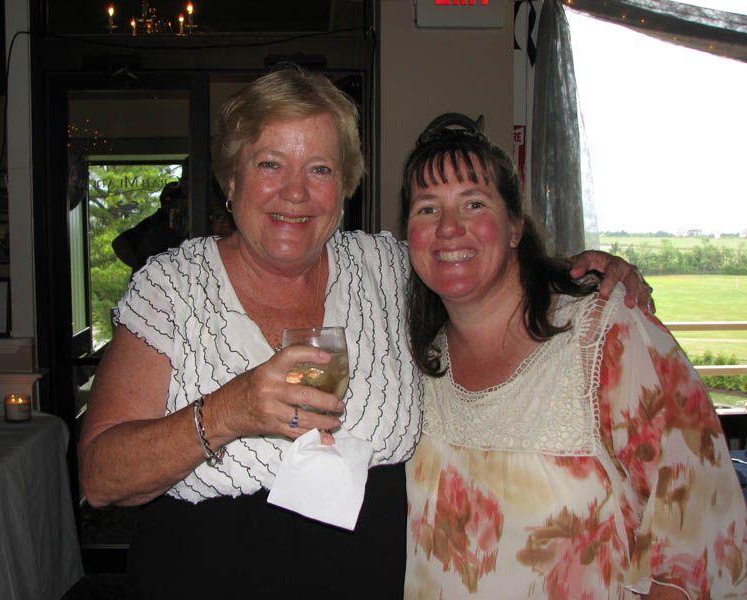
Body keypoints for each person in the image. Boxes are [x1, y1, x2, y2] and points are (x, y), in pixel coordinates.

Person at [79, 68, 650, 598]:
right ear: (231, 178)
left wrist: (573, 271)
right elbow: (101, 478)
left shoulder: (386, 270)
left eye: (320, 169)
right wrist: (231, 411)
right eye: (270, 164)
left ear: (346, 186)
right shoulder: (171, 288)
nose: (295, 191)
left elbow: (472, 261)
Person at [401, 113, 747, 599]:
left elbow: (698, 527)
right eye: (427, 209)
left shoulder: (604, 333)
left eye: (474, 203)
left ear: (516, 227)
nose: (449, 228)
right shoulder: (409, 360)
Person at [111, 180, 187, 275]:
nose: (176, 205)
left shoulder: (180, 224)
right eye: (175, 201)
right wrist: (144, 266)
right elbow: (120, 244)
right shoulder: (154, 224)